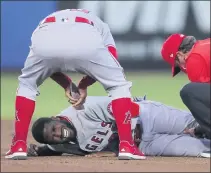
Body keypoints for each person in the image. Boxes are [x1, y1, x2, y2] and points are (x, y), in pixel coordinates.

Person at [5, 9, 144, 160]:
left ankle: (18, 145)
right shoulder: (100, 24)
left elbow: (46, 64)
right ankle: (126, 145)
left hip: (45, 36)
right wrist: (84, 84)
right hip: (85, 37)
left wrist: (67, 84)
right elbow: (111, 58)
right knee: (118, 86)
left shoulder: (45, 21)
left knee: (27, 86)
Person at [28, 96, 210, 158]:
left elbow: (124, 106)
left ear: (56, 118)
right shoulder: (60, 144)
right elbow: (52, 149)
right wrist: (39, 150)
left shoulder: (82, 109)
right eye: (53, 137)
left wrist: (123, 133)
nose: (58, 134)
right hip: (145, 145)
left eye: (54, 129)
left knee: (198, 124)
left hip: (148, 117)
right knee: (198, 150)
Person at [161, 34, 210, 139]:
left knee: (188, 92)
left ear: (179, 55)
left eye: (177, 64)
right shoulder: (205, 45)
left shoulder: (194, 59)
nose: (182, 68)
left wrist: (198, 130)